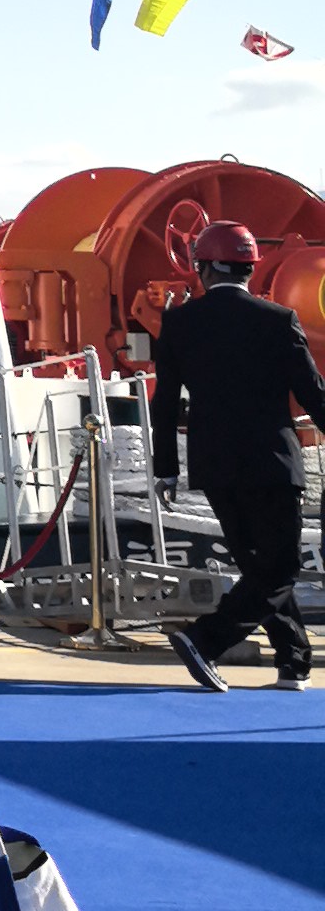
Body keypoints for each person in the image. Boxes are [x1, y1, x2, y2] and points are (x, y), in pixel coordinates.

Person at [151, 220, 325, 691]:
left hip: (215, 467)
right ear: (250, 268)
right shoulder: (278, 320)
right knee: (279, 568)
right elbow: (313, 394)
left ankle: (294, 663)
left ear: (203, 268)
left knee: (260, 567)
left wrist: (166, 470)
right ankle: (205, 640)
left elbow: (164, 404)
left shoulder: (180, 323)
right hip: (272, 464)